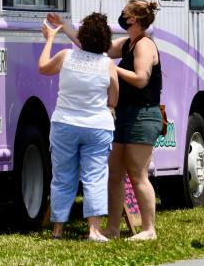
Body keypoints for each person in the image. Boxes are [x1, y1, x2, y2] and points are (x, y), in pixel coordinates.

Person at [48, 0, 162, 241]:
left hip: (142, 114)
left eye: (123, 14)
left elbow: (141, 78)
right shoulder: (127, 43)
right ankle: (111, 227)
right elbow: (92, 46)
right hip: (123, 114)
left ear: (133, 19)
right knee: (114, 173)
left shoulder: (144, 45)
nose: (120, 18)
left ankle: (149, 229)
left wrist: (108, 68)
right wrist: (65, 26)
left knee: (137, 172)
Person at [38, 12, 119, 241]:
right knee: (95, 176)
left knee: (63, 176)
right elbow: (113, 99)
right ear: (105, 40)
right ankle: (94, 230)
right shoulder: (108, 65)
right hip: (97, 126)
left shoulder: (66, 56)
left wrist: (50, 39)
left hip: (64, 124)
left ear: (82, 36)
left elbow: (43, 67)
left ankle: (58, 230)